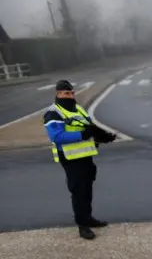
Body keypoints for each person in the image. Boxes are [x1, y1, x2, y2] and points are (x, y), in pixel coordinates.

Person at [43, 79, 117, 240]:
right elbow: (56, 136)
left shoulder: (77, 108)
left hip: (86, 155)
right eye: (66, 93)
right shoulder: (53, 112)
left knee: (87, 189)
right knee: (78, 191)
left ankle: (88, 218)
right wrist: (82, 135)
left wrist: (101, 136)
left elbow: (88, 126)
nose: (70, 96)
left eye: (71, 93)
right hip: (69, 157)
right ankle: (82, 225)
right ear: (58, 94)